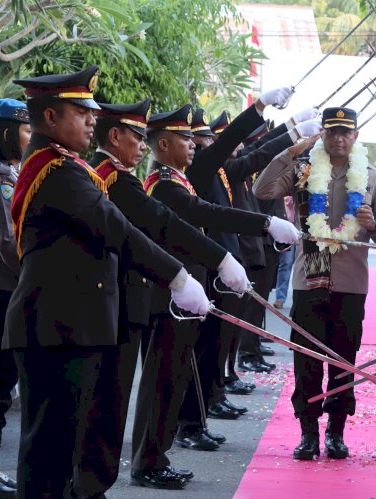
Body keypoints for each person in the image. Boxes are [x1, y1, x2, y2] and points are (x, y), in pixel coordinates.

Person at [6, 65, 210, 498]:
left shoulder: (68, 167)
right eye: (81, 113)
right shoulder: (57, 171)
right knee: (48, 457)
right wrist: (177, 277)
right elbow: (116, 228)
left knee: (60, 453)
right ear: (50, 118)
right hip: (55, 327)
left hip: (67, 325)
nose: (91, 121)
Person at [86, 98, 257, 492]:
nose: (141, 145)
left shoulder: (137, 177)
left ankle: (149, 459)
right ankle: (142, 463)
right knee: (135, 390)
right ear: (115, 137)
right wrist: (233, 249)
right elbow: (174, 222)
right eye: (136, 136)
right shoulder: (122, 178)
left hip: (152, 293)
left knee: (165, 380)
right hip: (145, 294)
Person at [130, 102, 299, 489]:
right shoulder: (164, 185)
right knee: (163, 380)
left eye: (194, 138)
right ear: (162, 144)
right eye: (185, 138)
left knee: (174, 376)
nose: (193, 145)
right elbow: (204, 214)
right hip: (171, 296)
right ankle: (149, 460)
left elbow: (217, 173)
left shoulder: (181, 178)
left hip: (186, 294)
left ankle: (157, 455)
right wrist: (264, 224)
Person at [254, 106, 376, 461]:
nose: (338, 138)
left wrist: (374, 225)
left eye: (345, 132)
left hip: (350, 282)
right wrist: (289, 151)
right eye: (331, 131)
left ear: (356, 136)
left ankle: (335, 431)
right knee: (306, 357)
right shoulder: (304, 171)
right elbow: (262, 189)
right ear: (322, 135)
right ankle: (307, 433)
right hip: (308, 278)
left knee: (343, 358)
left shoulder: (373, 177)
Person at [0, 98, 31, 496]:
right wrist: (34, 276)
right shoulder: (0, 173)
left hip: (0, 286)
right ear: (5, 133)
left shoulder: (6, 172)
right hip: (0, 288)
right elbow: (6, 239)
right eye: (24, 129)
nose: (29, 136)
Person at [274, 196, 296, 309]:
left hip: (306, 223)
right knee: (286, 263)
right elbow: (287, 200)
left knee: (304, 264)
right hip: (288, 224)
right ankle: (280, 297)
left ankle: (297, 299)